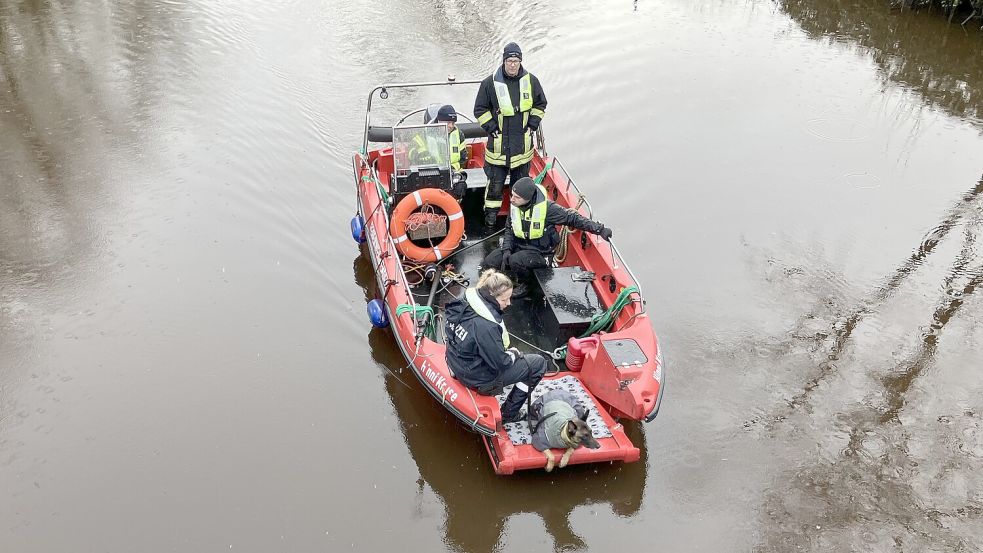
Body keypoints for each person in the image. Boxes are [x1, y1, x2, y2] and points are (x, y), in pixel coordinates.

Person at [444, 268, 547, 424]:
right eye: (505, 300)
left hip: (456, 362)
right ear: (493, 296)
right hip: (478, 377)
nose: (508, 303)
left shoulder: (465, 302)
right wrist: (513, 353)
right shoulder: (487, 327)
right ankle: (508, 413)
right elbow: (501, 363)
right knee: (538, 364)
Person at [483, 177, 613, 298]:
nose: (511, 200)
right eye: (512, 195)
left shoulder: (548, 209)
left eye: (516, 197)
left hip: (540, 252)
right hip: (520, 245)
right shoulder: (516, 206)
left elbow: (572, 218)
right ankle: (512, 270)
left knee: (516, 260)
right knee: (490, 261)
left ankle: (527, 285)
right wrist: (506, 250)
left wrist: (599, 229)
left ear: (527, 198)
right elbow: (509, 230)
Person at [473, 42, 547, 227]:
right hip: (498, 149)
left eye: (516, 61)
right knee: (494, 189)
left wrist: (532, 124)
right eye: (509, 60)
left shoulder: (532, 81)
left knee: (521, 189)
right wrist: (492, 128)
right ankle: (490, 222)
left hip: (522, 149)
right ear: (504, 61)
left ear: (520, 61)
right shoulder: (489, 84)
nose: (513, 64)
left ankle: (516, 223)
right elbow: (480, 109)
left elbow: (540, 105)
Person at [409, 104, 468, 199]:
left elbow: (462, 159)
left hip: (451, 175)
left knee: (461, 189)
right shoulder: (423, 133)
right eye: (448, 122)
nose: (451, 126)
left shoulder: (459, 135)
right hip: (428, 176)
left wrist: (458, 176)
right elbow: (411, 153)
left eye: (453, 123)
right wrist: (420, 156)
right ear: (440, 120)